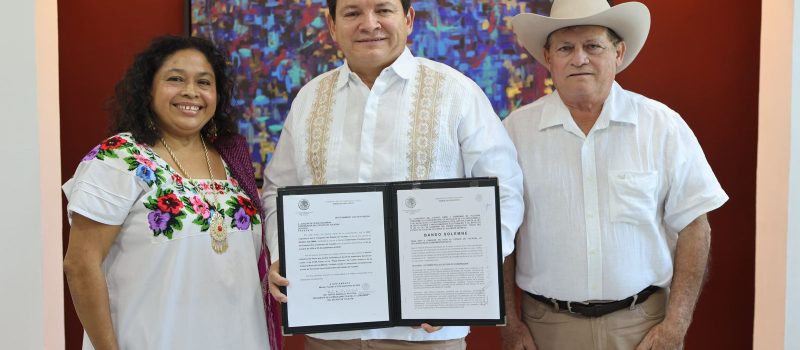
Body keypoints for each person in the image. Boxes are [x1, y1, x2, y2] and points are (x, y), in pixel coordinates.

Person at [260, 0, 525, 348]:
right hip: (331, 333)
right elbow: (278, 190)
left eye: (383, 10)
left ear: (409, 19)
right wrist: (284, 251)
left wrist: (465, 279)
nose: (369, 24)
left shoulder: (456, 93)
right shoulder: (308, 100)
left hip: (426, 333)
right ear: (331, 25)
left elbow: (504, 191)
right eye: (353, 13)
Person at [501, 1, 729, 349]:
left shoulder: (661, 126)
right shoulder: (514, 133)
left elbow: (696, 226)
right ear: (548, 58)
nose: (579, 58)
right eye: (566, 48)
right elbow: (499, 233)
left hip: (643, 327)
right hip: (546, 330)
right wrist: (510, 324)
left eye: (593, 46)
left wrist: (675, 326)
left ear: (618, 53)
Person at [62, 36, 281, 350]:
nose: (191, 91)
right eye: (175, 79)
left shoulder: (232, 160)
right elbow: (81, 265)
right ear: (148, 88)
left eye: (204, 82)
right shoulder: (118, 158)